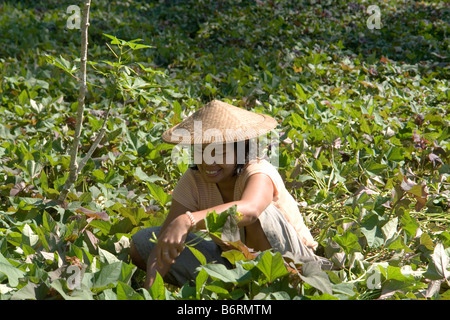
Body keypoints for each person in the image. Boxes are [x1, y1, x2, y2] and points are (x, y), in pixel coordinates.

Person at [130, 100, 329, 289]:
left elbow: (250, 209)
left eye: (221, 153)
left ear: (241, 151)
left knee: (258, 214)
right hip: (233, 262)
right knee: (144, 242)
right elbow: (165, 246)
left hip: (292, 263)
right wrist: (150, 291)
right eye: (202, 152)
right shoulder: (194, 179)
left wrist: (188, 220)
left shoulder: (258, 170)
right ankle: (239, 289)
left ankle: (269, 287)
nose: (209, 162)